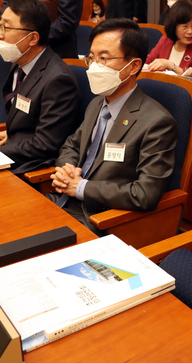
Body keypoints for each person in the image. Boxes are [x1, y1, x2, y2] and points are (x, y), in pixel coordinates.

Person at [48, 19, 178, 234]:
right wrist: (67, 169)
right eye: (92, 58)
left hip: (100, 218)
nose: (94, 66)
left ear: (134, 65)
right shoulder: (97, 103)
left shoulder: (157, 122)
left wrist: (81, 188)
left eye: (104, 58)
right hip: (61, 199)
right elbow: (72, 145)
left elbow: (144, 193)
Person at [0, 0, 81, 175]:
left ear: (33, 38)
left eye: (7, 27)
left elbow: (44, 145)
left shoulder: (58, 80)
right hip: (16, 151)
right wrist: (13, 135)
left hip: (31, 167)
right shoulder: (20, 64)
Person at [4, 0, 83, 59]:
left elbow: (69, 19)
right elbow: (7, 5)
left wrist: (31, 37)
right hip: (18, 54)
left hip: (54, 55)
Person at [146, 0, 192, 78]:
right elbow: (148, 64)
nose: (190, 31)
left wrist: (170, 65)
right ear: (174, 26)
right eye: (185, 26)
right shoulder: (165, 40)